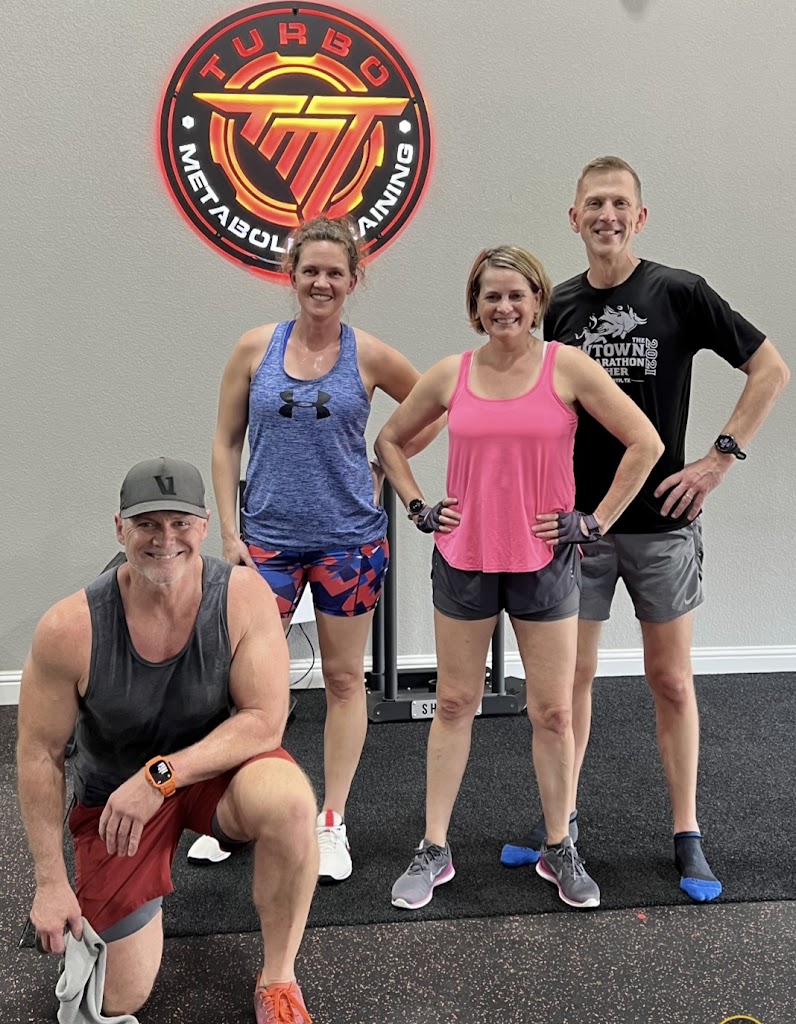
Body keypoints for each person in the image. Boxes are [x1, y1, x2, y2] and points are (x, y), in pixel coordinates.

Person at [504, 156, 790, 902]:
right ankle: (561, 826)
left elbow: (770, 369)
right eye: (594, 203)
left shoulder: (679, 292)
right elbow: (528, 404)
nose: (607, 215)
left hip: (663, 523)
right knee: (570, 681)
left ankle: (687, 832)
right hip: (579, 527)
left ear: (640, 216)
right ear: (574, 217)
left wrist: (718, 460)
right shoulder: (559, 305)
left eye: (619, 203)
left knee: (671, 680)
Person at [375, 246, 663, 911]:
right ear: (475, 307)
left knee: (554, 712)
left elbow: (644, 442)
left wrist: (595, 520)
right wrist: (418, 507)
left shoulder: (567, 367)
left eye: (516, 295)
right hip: (465, 558)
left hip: (545, 563)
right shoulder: (452, 373)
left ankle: (559, 845)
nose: (504, 307)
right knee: (454, 704)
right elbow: (389, 440)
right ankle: (434, 848)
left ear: (537, 301)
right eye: (491, 297)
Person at [17, 457, 319, 1024]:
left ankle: (279, 978)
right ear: (119, 528)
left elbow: (264, 721)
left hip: (211, 775)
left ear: (203, 526)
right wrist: (50, 881)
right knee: (117, 998)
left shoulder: (242, 596)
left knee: (291, 803)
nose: (165, 539)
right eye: (147, 524)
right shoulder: (71, 627)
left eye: (180, 523)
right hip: (116, 804)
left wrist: (160, 777)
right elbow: (39, 754)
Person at [208, 215, 443, 884]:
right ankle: (240, 812)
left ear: (352, 280)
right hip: (268, 544)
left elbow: (434, 407)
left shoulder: (369, 355)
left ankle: (330, 820)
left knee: (343, 681)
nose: (321, 281)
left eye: (334, 272)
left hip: (348, 544)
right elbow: (225, 443)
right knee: (250, 684)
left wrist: (385, 461)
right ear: (291, 274)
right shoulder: (254, 348)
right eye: (310, 270)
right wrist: (230, 533)